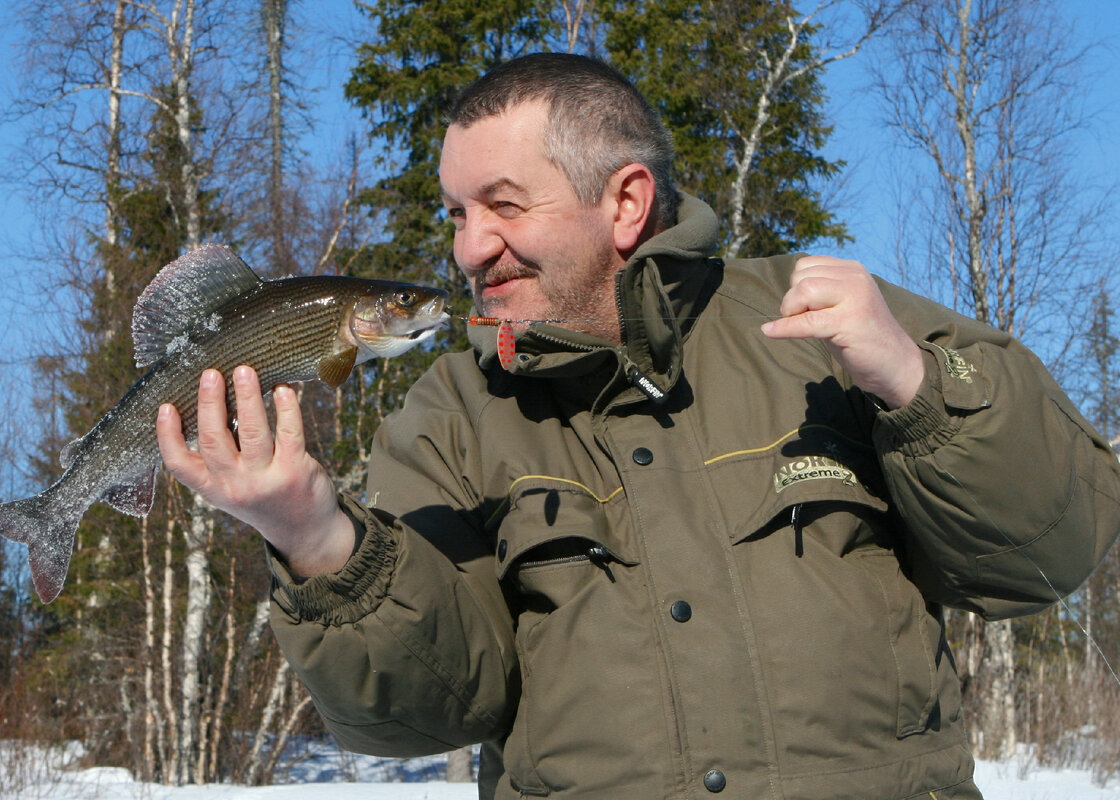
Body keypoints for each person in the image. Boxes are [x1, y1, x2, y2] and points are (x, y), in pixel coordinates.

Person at [156, 53, 1120, 800]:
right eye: (456, 212)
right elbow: (431, 707)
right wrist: (320, 543)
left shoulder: (822, 323)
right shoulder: (453, 410)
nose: (467, 248)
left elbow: (1047, 555)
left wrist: (915, 386)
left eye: (501, 205)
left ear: (623, 202)